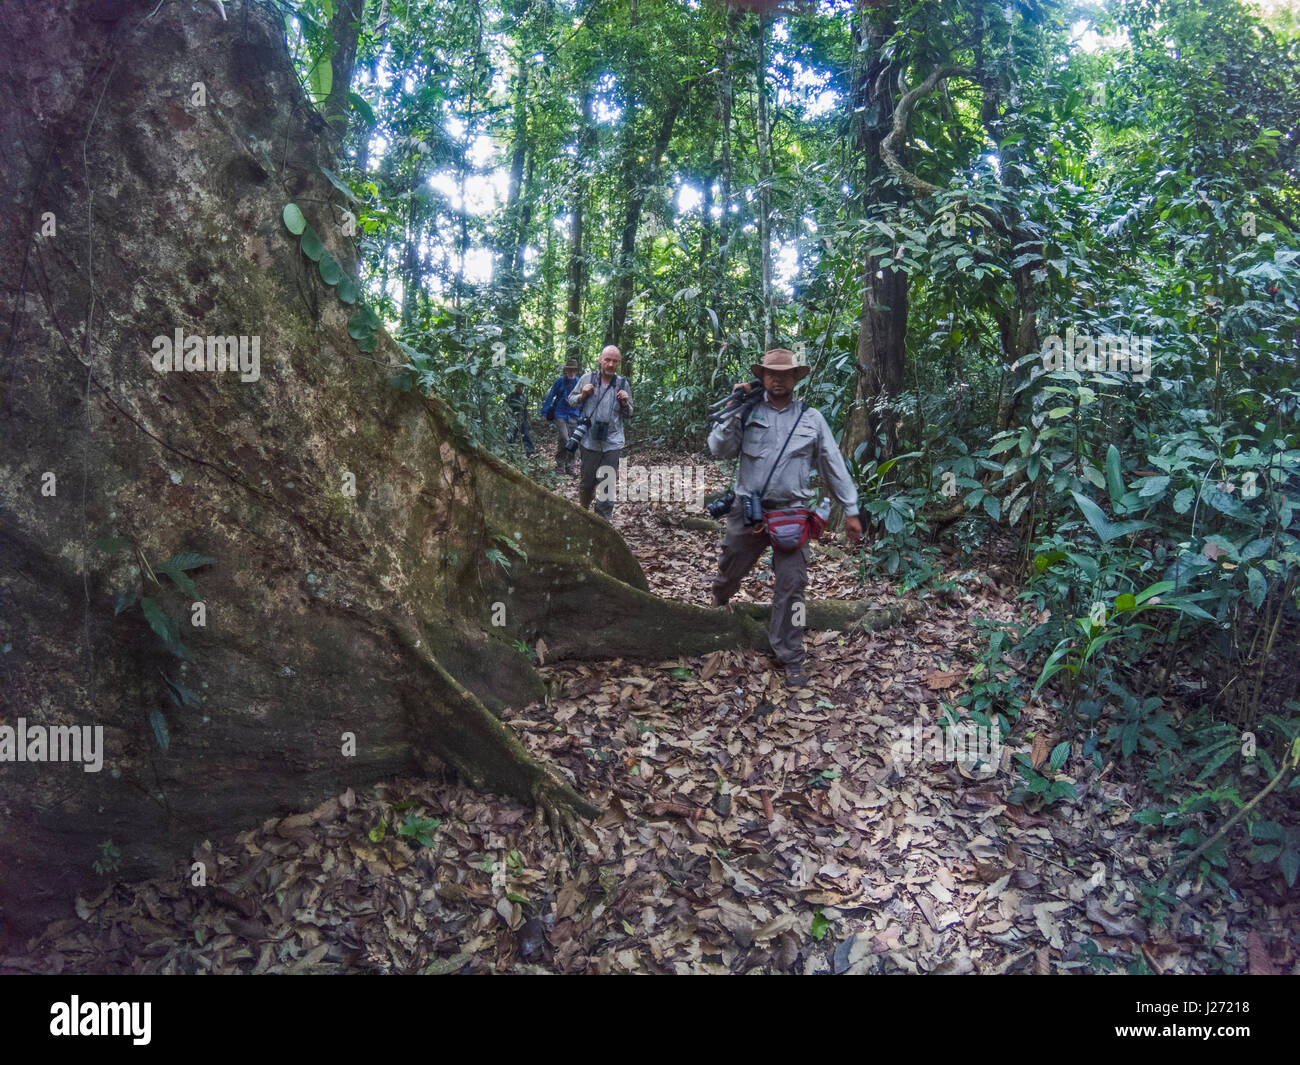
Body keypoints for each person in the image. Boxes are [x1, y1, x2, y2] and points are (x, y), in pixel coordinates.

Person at [707, 348, 863, 689]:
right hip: (748, 509)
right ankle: (719, 600)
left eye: (785, 374)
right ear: (762, 377)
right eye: (771, 373)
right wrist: (733, 410)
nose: (778, 379)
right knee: (730, 567)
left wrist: (851, 509)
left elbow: (833, 465)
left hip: (792, 514)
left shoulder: (812, 419)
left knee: (793, 587)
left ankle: (789, 653)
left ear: (796, 378)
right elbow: (718, 449)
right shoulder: (747, 412)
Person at [568, 345, 632, 520]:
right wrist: (582, 395)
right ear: (600, 360)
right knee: (587, 482)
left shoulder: (622, 383)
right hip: (589, 440)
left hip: (612, 441)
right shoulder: (588, 378)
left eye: (615, 361)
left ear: (619, 363)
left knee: (607, 483)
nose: (611, 364)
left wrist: (625, 403)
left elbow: (630, 413)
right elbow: (571, 400)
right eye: (607, 360)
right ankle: (583, 514)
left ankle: (602, 523)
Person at [540, 356, 584, 475]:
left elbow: (583, 399)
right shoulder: (560, 381)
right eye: (569, 369)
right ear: (566, 370)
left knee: (567, 442)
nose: (571, 372)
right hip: (560, 414)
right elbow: (551, 396)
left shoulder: (579, 381)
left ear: (576, 370)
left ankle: (568, 467)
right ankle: (561, 466)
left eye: (573, 369)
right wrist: (544, 412)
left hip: (574, 415)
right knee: (566, 439)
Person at [506, 382, 535, 457]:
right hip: (513, 418)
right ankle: (509, 452)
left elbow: (525, 409)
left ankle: (530, 452)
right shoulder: (511, 395)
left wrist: (528, 420)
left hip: (522, 418)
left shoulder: (524, 396)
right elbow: (506, 406)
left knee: (526, 435)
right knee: (512, 435)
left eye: (521, 387)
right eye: (518, 387)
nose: (520, 388)